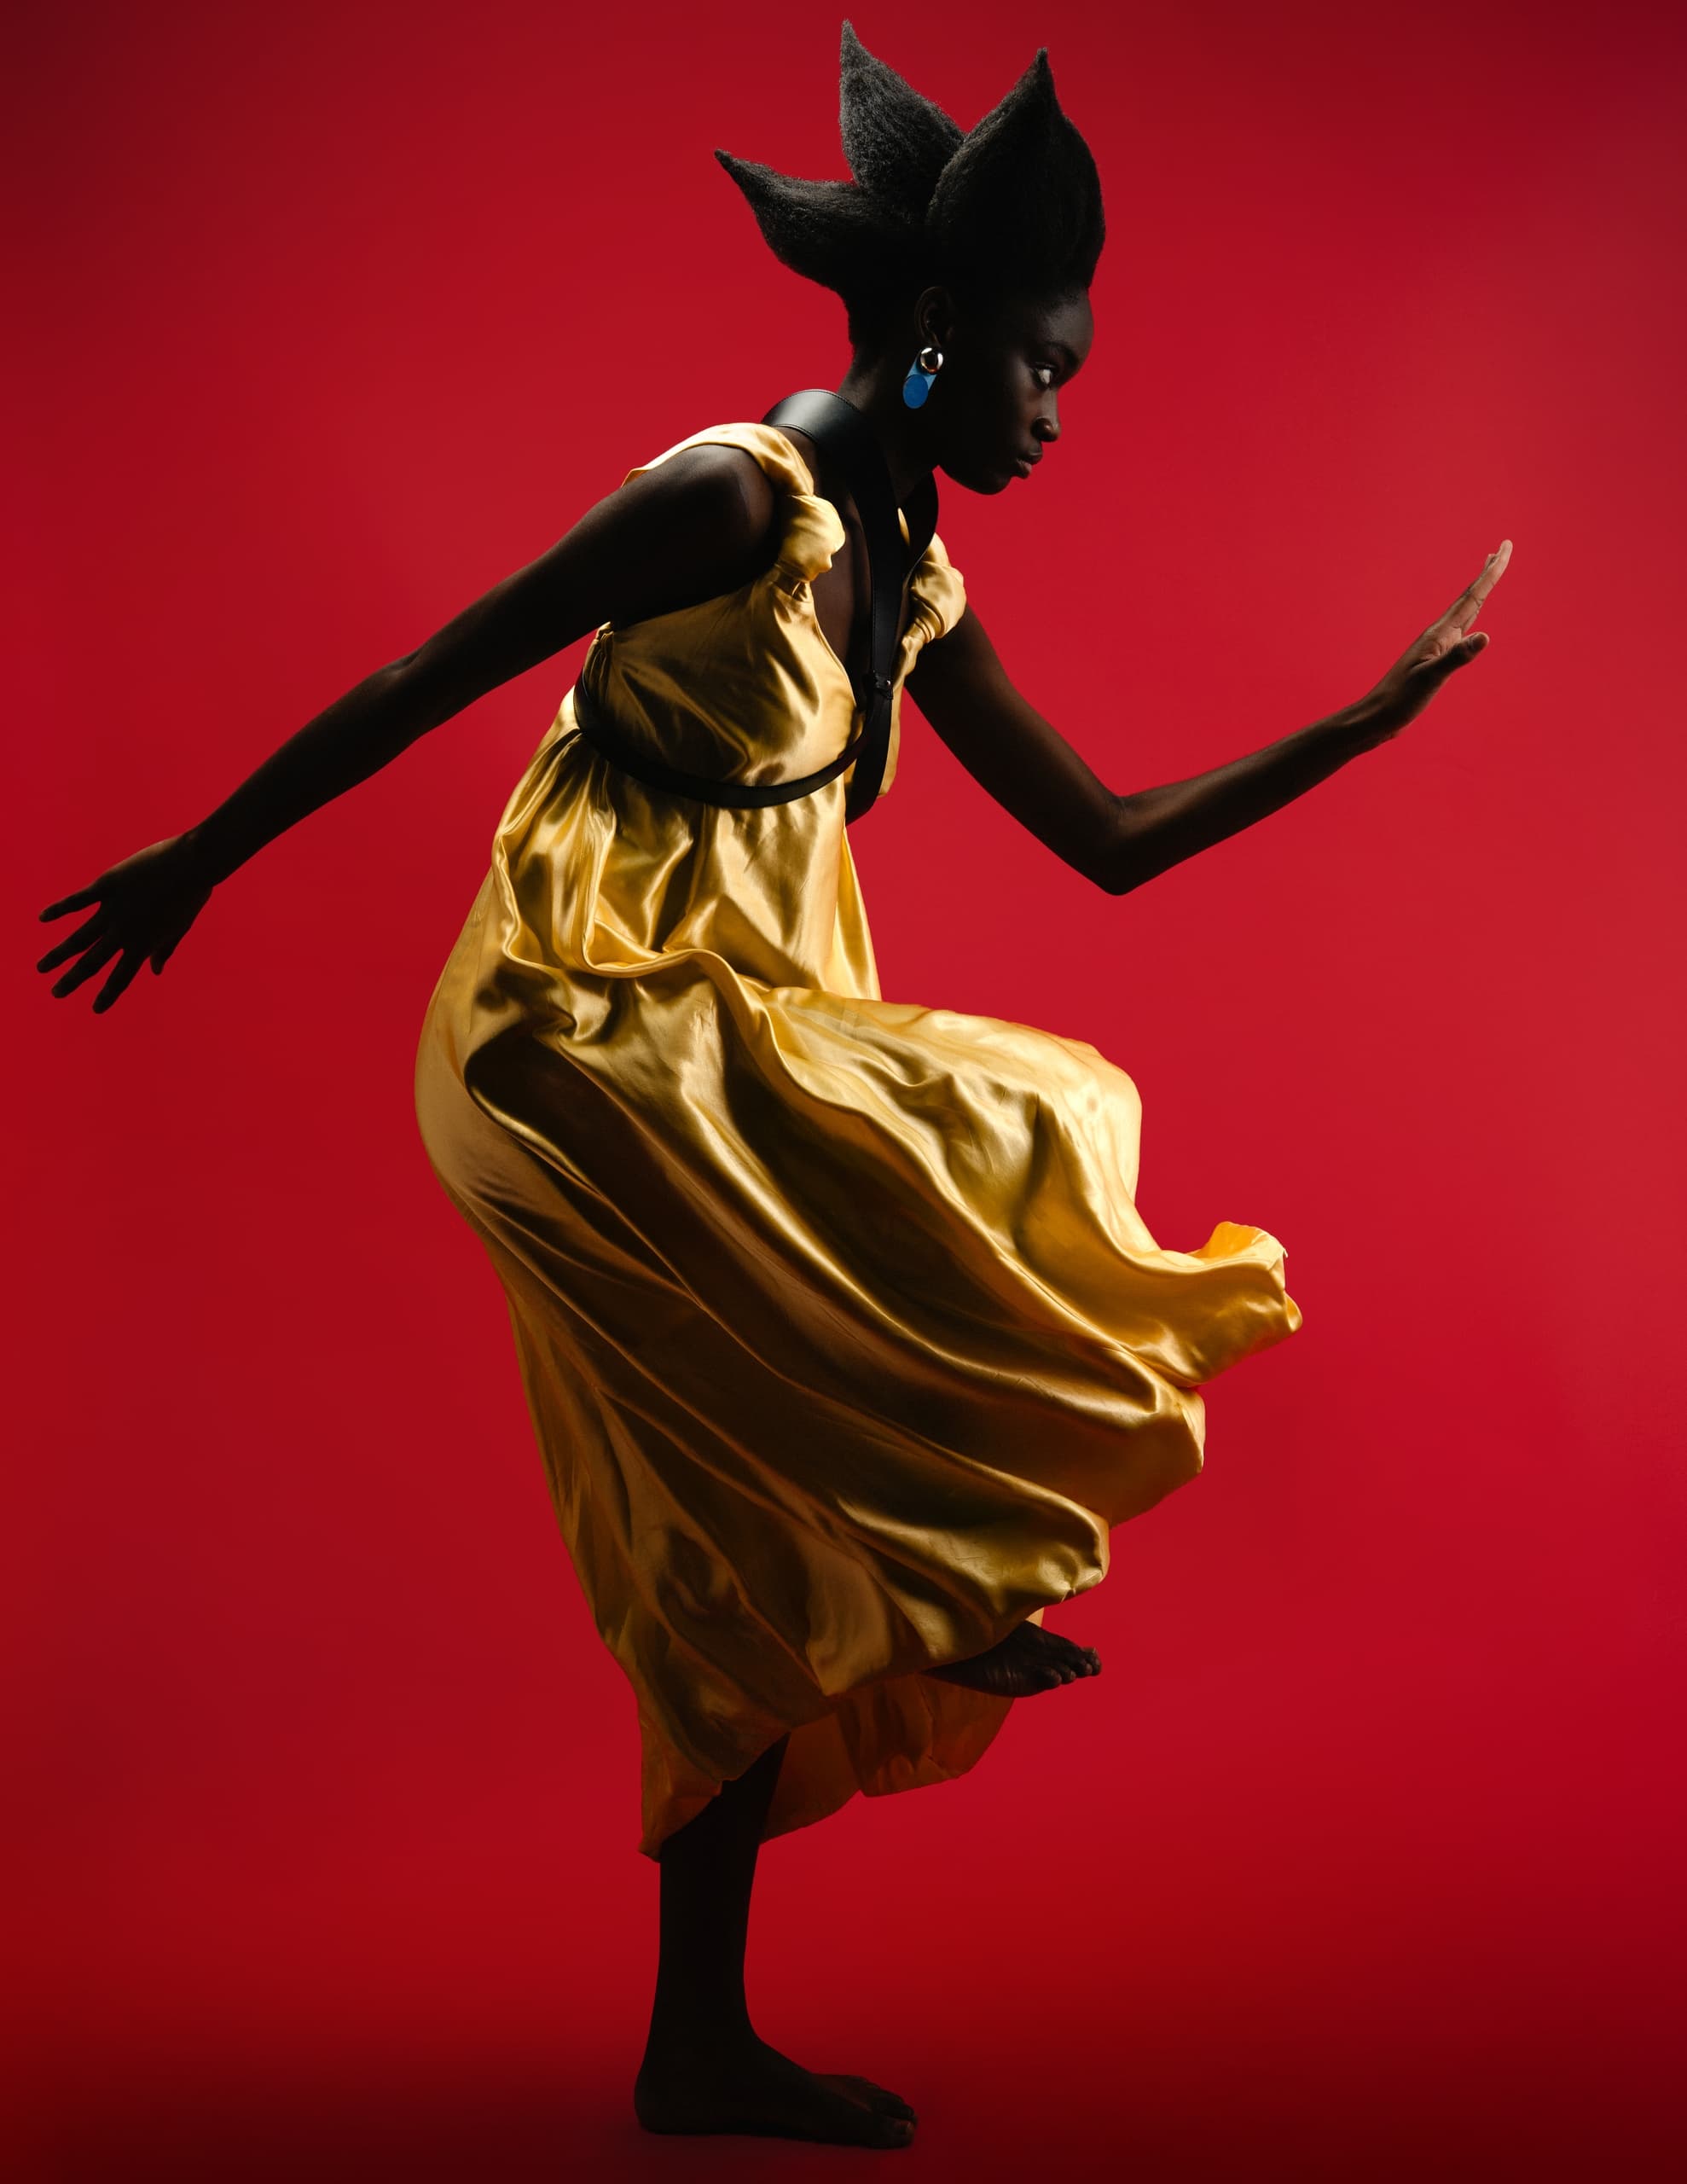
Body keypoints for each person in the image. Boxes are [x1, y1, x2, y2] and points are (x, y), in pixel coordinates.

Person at [35, 21, 1510, 2153]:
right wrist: (195, 856)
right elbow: (424, 671)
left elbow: (1104, 836)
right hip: (572, 1029)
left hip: (733, 1023)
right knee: (1006, 1129)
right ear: (931, 330)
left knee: (711, 1549)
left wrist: (1359, 725)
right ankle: (943, 1565)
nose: (1054, 407)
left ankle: (696, 2037)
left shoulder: (910, 568)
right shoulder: (728, 492)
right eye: (1036, 363)